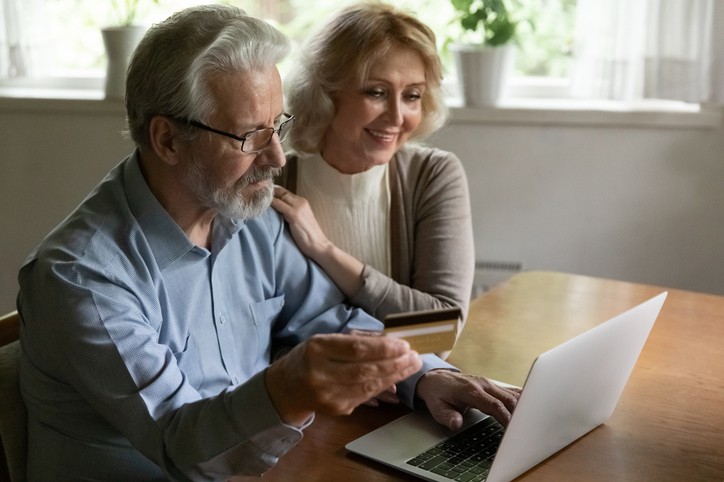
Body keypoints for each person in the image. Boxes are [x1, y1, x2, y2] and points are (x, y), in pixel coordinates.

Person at [17, 5, 518, 481]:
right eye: (250, 136)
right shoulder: (82, 277)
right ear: (168, 140)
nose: (277, 157)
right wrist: (288, 387)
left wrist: (425, 376)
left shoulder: (249, 213)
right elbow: (181, 445)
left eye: (278, 126)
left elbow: (332, 319)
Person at [273, 2, 475, 351]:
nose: (397, 116)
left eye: (412, 96)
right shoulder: (273, 179)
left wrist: (324, 251)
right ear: (325, 94)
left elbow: (441, 330)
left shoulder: (433, 175)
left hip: (412, 390)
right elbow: (257, 338)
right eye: (376, 92)